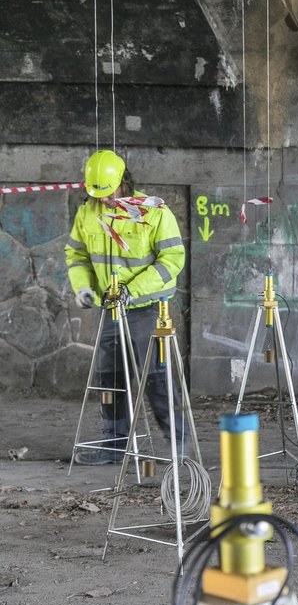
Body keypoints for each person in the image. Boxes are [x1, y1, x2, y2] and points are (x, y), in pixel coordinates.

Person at [66, 150, 187, 465]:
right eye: (97, 194)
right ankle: (115, 447)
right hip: (111, 308)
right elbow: (77, 256)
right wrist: (83, 288)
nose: (103, 200)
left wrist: (134, 289)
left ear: (123, 182)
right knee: (110, 377)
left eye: (108, 192)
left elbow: (172, 260)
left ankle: (181, 447)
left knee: (157, 378)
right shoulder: (88, 212)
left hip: (148, 308)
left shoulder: (154, 212)